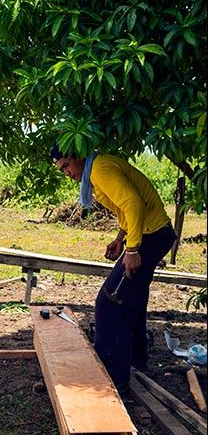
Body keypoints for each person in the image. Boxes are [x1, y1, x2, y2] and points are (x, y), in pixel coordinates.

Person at [50, 144, 177, 399]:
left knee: (109, 304)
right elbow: (126, 207)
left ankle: (113, 382)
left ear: (78, 157)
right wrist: (122, 237)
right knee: (133, 298)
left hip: (151, 235)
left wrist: (132, 249)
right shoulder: (97, 167)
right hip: (156, 233)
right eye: (61, 170)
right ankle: (137, 361)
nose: (67, 173)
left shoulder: (99, 170)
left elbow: (133, 203)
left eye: (67, 165)